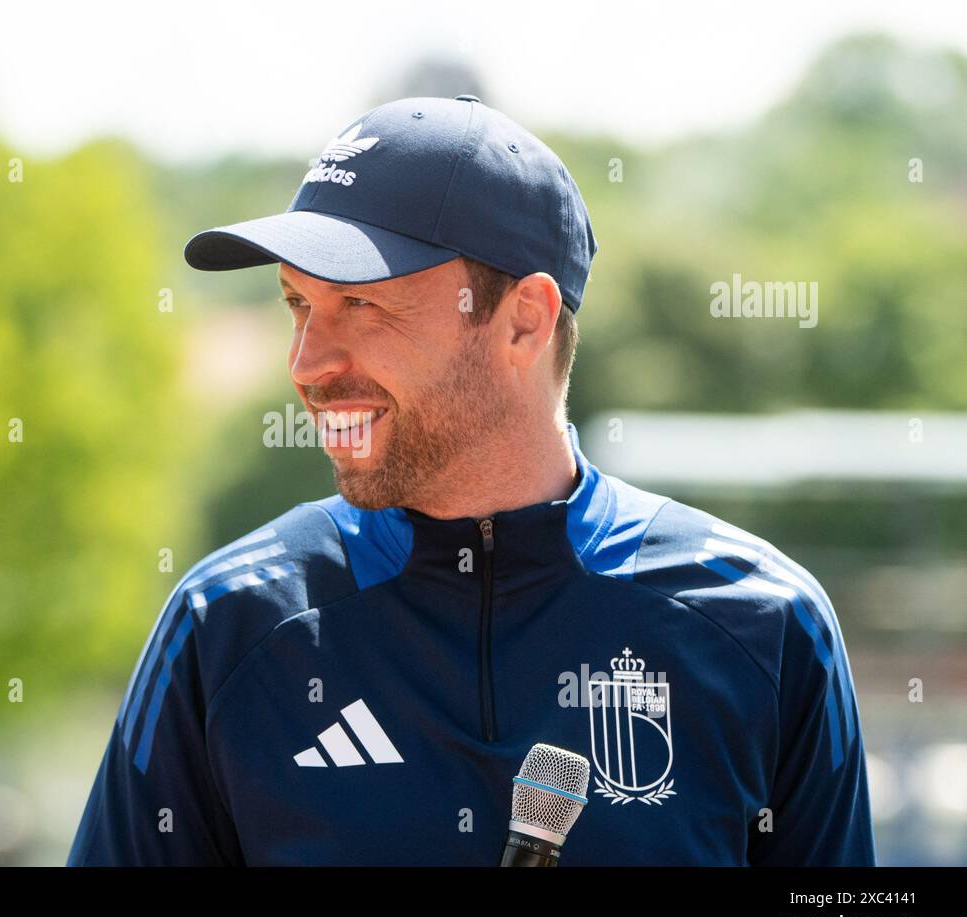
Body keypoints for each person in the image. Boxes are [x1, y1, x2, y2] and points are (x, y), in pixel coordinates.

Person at [67, 95, 876, 865]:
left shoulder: (767, 623)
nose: (306, 364)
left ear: (524, 319)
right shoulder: (228, 625)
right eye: (296, 305)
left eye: (359, 304)